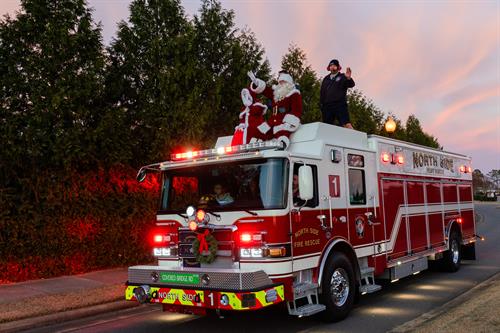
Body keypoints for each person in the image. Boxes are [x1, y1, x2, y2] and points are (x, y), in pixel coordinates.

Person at [247, 71, 302, 149]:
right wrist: (256, 82)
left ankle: (283, 145)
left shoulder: (294, 94)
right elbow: (266, 91)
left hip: (283, 121)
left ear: (289, 83)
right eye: (280, 82)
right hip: (272, 121)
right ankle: (253, 146)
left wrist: (289, 122)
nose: (281, 84)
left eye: (283, 82)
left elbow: (296, 110)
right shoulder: (276, 94)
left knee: (282, 132)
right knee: (259, 131)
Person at [320, 59, 355, 129]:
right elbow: (322, 92)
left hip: (340, 105)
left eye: (334, 66)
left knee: (346, 124)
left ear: (338, 67)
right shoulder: (326, 79)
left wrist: (348, 78)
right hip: (327, 106)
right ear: (329, 67)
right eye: (331, 66)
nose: (332, 67)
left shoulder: (342, 76)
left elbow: (351, 84)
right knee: (327, 127)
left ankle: (356, 138)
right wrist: (322, 104)